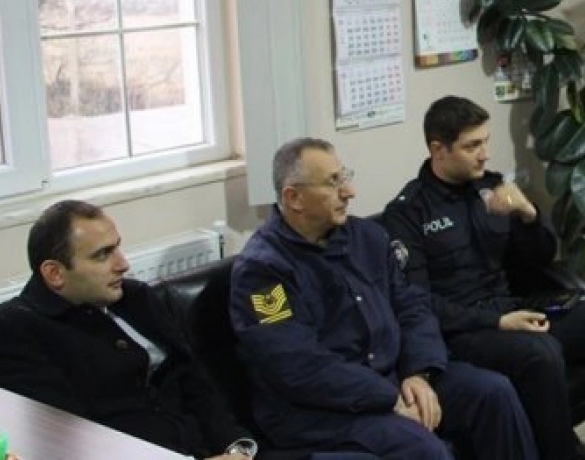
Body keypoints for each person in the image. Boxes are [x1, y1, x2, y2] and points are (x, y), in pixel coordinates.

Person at [230, 137, 537, 460]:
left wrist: (418, 373)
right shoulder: (263, 272)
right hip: (322, 411)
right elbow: (298, 366)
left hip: (393, 377)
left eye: (344, 177)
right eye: (333, 183)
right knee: (423, 450)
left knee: (493, 393)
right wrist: (387, 396)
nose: (349, 192)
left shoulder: (367, 237)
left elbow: (412, 306)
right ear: (294, 198)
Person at [379, 96, 585, 460]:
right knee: (540, 352)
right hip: (463, 332)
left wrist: (528, 214)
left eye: (485, 142)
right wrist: (497, 322)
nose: (484, 154)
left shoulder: (491, 188)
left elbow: (541, 259)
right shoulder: (408, 213)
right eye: (472, 146)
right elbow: (417, 302)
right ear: (438, 149)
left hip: (514, 309)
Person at [0, 200, 256, 460]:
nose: (123, 264)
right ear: (54, 273)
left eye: (117, 247)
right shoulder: (9, 333)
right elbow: (63, 446)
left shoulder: (136, 299)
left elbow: (196, 384)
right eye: (103, 255)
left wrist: (237, 447)